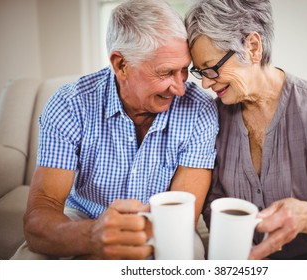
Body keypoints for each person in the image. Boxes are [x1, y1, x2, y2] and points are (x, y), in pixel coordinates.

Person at [12, 0, 218, 260]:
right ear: (121, 64)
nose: (179, 88)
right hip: (84, 217)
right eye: (166, 73)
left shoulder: (200, 109)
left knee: (187, 256)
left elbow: (180, 214)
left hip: (166, 224)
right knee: (27, 261)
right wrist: (91, 236)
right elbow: (40, 215)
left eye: (184, 71)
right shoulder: (69, 104)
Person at [185, 0, 307, 259]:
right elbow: (214, 201)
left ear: (252, 46)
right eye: (199, 71)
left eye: (212, 69)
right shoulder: (214, 116)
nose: (205, 83)